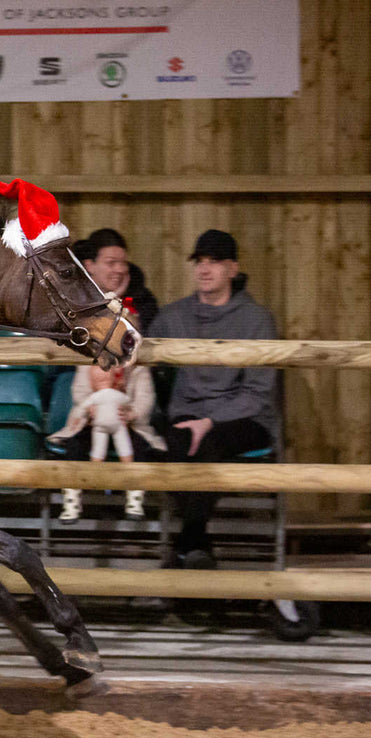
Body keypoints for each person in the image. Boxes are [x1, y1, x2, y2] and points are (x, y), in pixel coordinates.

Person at [150, 229, 280, 568]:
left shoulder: (257, 320)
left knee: (204, 445)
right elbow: (144, 358)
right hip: (186, 413)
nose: (205, 270)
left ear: (233, 269)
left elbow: (258, 392)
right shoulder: (173, 317)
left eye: (215, 262)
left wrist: (209, 421)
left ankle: (187, 543)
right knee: (173, 442)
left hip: (243, 418)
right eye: (200, 262)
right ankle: (197, 546)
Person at [46, 350, 167, 521]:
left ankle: (134, 501)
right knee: (75, 446)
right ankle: (71, 502)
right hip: (91, 424)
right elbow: (79, 393)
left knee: (139, 447)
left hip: (129, 425)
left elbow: (146, 398)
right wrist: (89, 410)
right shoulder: (88, 360)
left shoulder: (138, 366)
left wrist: (131, 414)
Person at [72, 228, 159, 331]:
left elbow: (138, 336)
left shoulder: (142, 300)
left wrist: (119, 300)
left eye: (123, 263)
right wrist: (110, 301)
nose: (120, 269)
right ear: (89, 266)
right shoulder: (73, 300)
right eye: (111, 263)